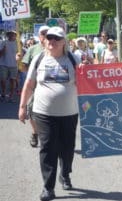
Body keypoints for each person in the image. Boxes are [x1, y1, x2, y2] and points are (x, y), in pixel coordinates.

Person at [18, 26, 80, 201]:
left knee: (67, 149)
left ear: (63, 42)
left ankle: (65, 173)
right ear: (45, 40)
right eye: (49, 38)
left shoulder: (73, 59)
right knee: (48, 149)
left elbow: (85, 83)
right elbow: (29, 85)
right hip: (43, 113)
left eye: (56, 38)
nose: (52, 41)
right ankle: (48, 187)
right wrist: (22, 107)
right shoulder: (39, 59)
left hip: (69, 113)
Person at [21, 25, 50, 148]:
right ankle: (35, 132)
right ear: (39, 36)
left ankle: (50, 135)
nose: (45, 35)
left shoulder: (57, 48)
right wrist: (19, 61)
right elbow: (23, 68)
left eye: (48, 33)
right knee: (32, 110)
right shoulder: (32, 49)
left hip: (52, 87)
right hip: (35, 87)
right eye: (43, 33)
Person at [0, 30, 18, 102]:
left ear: (15, 35)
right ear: (7, 35)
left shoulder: (18, 43)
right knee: (3, 80)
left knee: (12, 80)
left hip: (14, 65)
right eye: (10, 34)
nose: (11, 35)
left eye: (13, 34)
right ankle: (3, 93)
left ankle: (11, 96)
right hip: (3, 64)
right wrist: (3, 50)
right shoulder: (3, 42)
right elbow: (0, 54)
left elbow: (20, 54)